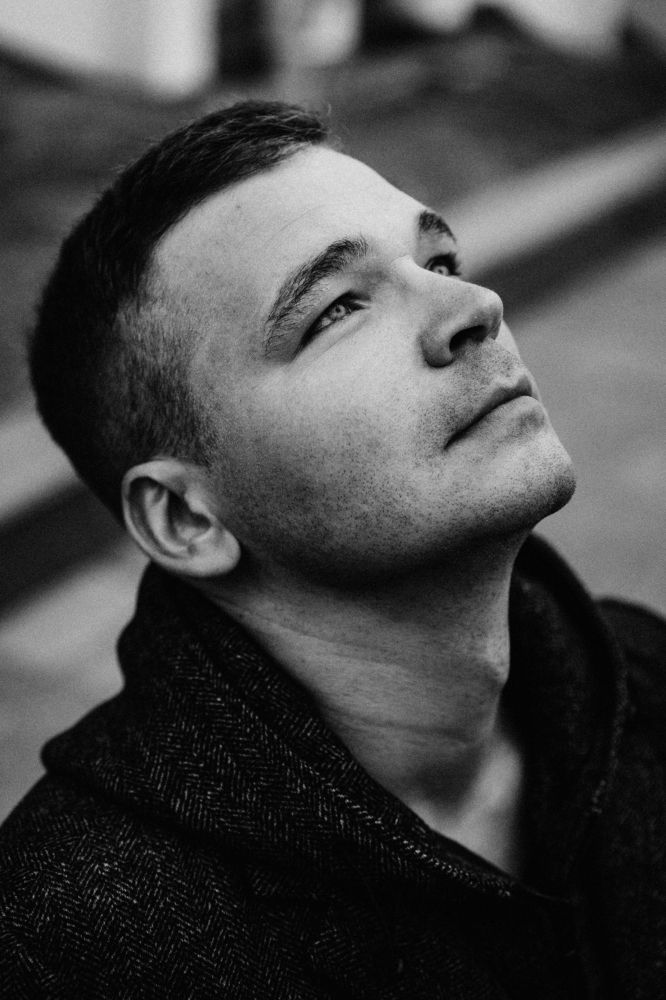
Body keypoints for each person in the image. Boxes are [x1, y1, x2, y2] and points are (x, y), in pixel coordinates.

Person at [1, 101, 664, 999]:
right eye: (337, 309)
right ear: (186, 518)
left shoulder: (645, 676)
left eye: (440, 262)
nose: (475, 308)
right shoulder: (67, 947)